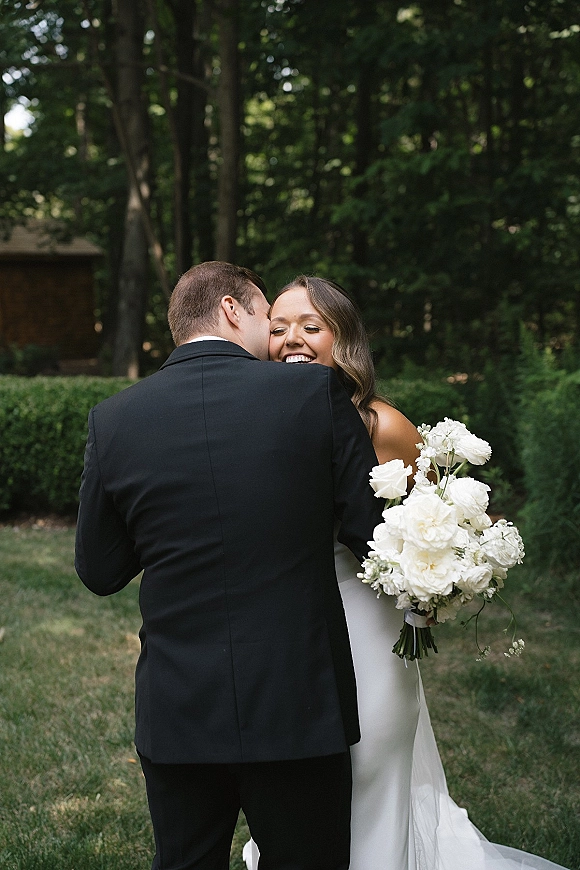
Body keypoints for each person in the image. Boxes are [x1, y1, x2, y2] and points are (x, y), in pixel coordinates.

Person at [244, 274, 570, 870]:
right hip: (286, 624)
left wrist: (437, 578)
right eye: (278, 327)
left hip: (363, 620)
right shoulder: (254, 419)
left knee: (370, 768)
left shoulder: (382, 426)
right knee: (296, 780)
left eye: (311, 327)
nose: (292, 338)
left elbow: (437, 518)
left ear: (343, 339)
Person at [74, 261, 384, 870]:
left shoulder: (113, 420)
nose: (275, 334)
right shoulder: (315, 394)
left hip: (179, 705)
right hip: (299, 702)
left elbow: (99, 570)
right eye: (269, 316)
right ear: (233, 310)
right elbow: (368, 535)